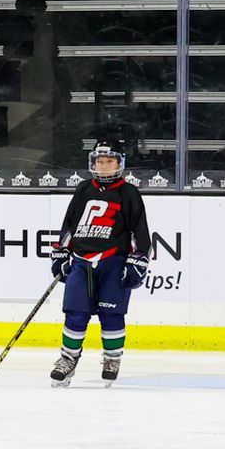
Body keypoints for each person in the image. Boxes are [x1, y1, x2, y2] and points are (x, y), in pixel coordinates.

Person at [49, 139, 152, 386]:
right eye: (99, 161)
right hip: (81, 262)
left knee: (112, 314)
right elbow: (69, 225)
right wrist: (62, 252)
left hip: (113, 261)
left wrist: (137, 259)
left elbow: (139, 231)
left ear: (119, 163)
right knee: (75, 314)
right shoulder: (83, 189)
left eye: (109, 162)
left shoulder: (128, 193)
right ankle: (68, 359)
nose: (103, 166)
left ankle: (112, 359)